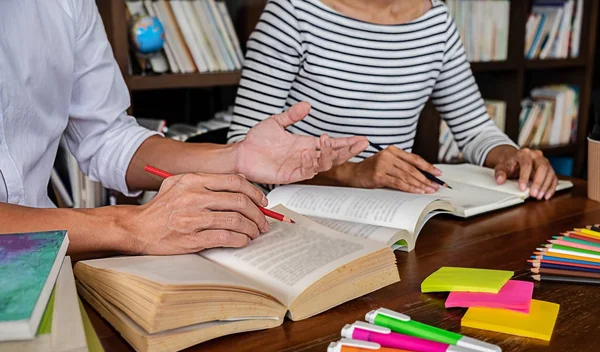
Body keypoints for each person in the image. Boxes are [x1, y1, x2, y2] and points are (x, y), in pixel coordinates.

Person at [0, 0, 368, 256]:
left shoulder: (65, 5)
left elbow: (107, 137)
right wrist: (130, 225)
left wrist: (236, 157)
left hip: (46, 262)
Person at [228, 0, 558, 199]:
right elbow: (243, 149)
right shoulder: (293, 13)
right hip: (298, 210)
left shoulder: (436, 22)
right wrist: (352, 172)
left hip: (389, 216)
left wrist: (513, 157)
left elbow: (474, 129)